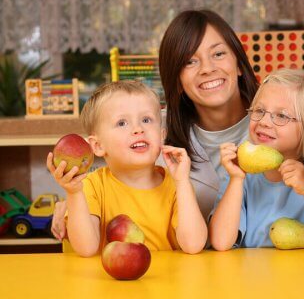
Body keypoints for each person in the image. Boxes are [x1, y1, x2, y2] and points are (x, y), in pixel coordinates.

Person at [51, 9, 304, 239]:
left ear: (239, 64)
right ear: (176, 79)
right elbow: (123, 179)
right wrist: (75, 201)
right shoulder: (155, 132)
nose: (207, 69)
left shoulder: (280, 123)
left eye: (218, 54)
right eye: (190, 61)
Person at [47, 81, 207, 256]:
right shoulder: (91, 186)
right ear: (98, 146)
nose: (138, 129)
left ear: (161, 137)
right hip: (110, 282)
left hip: (167, 281)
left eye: (146, 120)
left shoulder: (176, 184)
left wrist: (183, 182)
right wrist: (74, 193)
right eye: (122, 123)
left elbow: (194, 245)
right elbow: (86, 249)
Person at [209, 69, 304, 250]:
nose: (264, 122)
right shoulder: (239, 174)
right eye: (259, 110)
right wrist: (236, 179)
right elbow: (220, 242)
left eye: (281, 115)